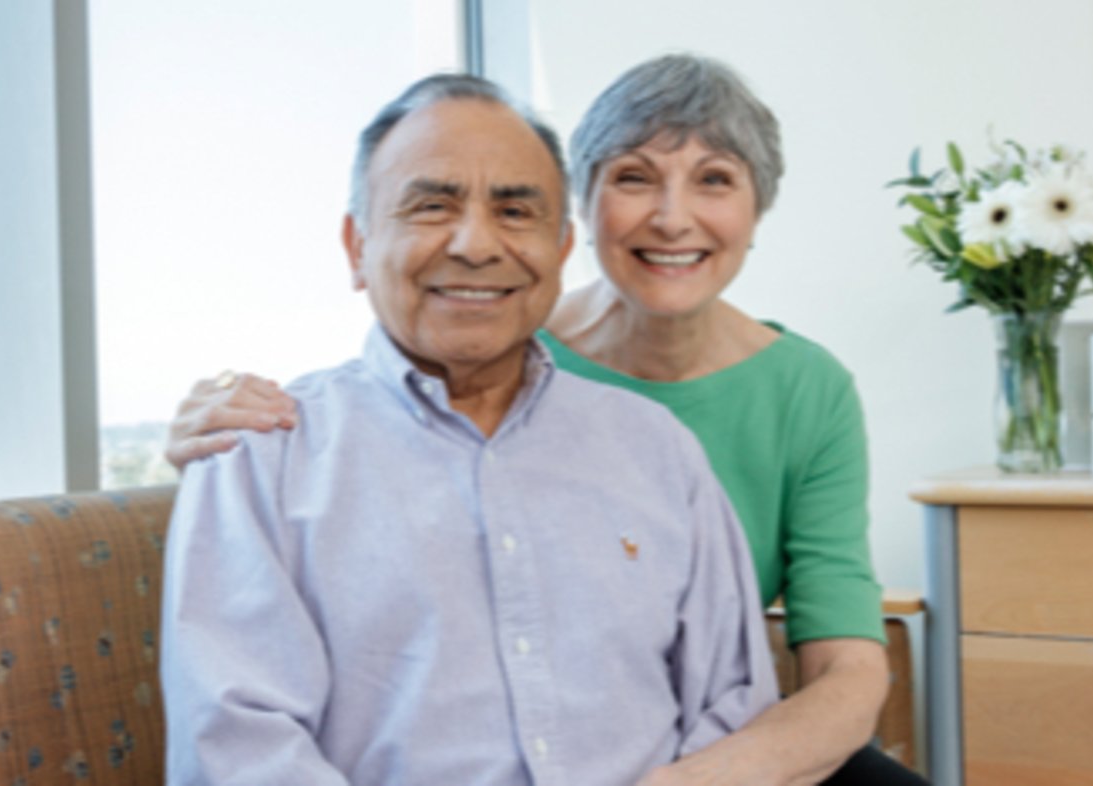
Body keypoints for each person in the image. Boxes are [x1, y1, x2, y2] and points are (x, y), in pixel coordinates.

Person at [168, 56, 929, 785]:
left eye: (514, 209)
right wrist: (228, 444)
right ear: (357, 244)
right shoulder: (275, 449)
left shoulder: (687, 434)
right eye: (432, 204)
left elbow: (769, 687)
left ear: (559, 245)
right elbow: (240, 744)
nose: (475, 245)